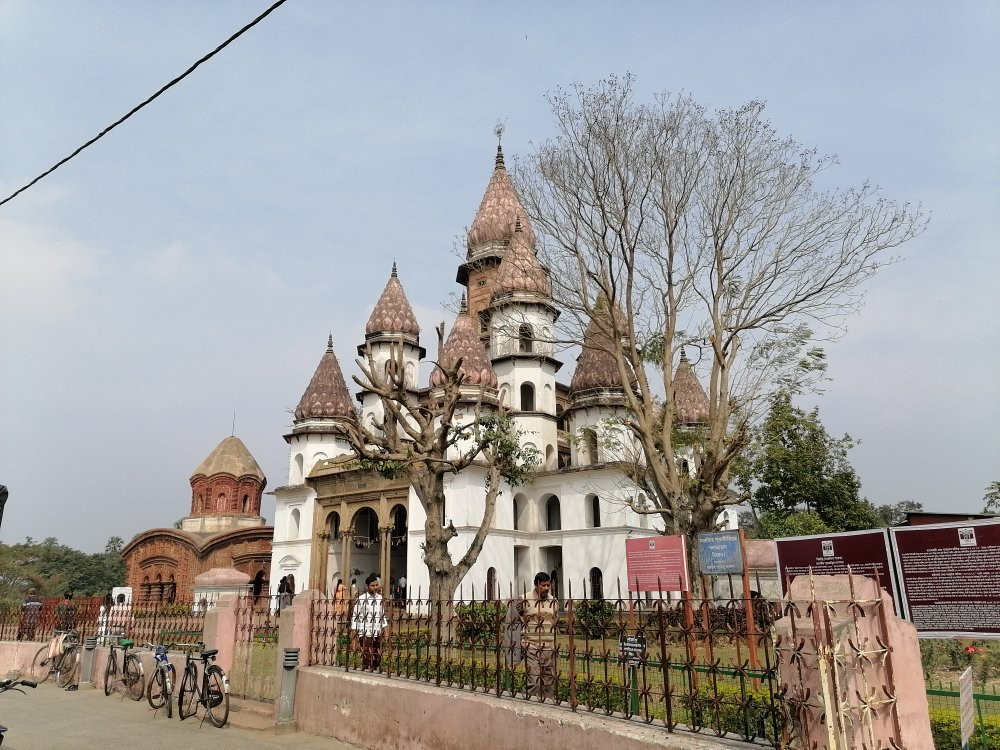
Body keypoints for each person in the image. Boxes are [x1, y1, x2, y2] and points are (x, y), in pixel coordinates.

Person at [517, 572, 559, 700]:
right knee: (534, 682)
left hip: (549, 648)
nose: (546, 588)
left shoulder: (554, 601)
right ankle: (529, 708)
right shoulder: (524, 599)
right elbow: (514, 621)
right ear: (536, 585)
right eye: (543, 585)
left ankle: (547, 712)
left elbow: (555, 620)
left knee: (548, 684)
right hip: (532, 646)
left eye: (548, 585)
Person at [350, 574, 387, 671]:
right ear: (367, 586)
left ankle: (374, 670)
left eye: (376, 585)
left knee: (376, 654)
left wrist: (385, 631)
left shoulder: (379, 598)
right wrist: (354, 635)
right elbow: (355, 617)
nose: (375, 587)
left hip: (376, 631)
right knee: (367, 654)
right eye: (372, 585)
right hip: (365, 631)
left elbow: (382, 615)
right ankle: (366, 670)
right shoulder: (361, 599)